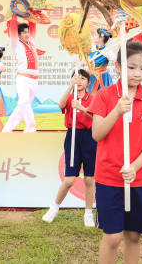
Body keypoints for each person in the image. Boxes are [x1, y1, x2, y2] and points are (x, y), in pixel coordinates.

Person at [89, 41, 142, 264]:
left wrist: (135, 167)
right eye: (131, 67)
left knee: (133, 235)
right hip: (109, 178)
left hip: (138, 179)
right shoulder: (104, 96)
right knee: (112, 236)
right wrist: (117, 111)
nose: (137, 74)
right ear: (119, 67)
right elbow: (97, 134)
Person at [42, 69, 96, 227]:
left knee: (89, 179)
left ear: (88, 82)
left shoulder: (92, 98)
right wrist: (70, 86)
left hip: (89, 137)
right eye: (75, 78)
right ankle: (54, 208)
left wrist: (82, 108)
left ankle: (88, 213)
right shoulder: (70, 97)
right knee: (69, 180)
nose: (79, 81)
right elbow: (60, 105)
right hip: (72, 137)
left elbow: (96, 117)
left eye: (82, 78)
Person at [2, 17, 43, 133]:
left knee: (23, 105)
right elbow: (13, 29)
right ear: (18, 35)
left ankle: (7, 128)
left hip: (34, 80)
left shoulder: (32, 42)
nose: (27, 34)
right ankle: (31, 126)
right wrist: (14, 14)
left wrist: (32, 12)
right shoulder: (16, 43)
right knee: (24, 101)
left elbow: (33, 24)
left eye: (28, 31)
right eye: (24, 32)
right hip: (23, 78)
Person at [87, 28, 116, 92]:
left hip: (103, 78)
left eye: (95, 35)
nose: (93, 36)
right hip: (91, 77)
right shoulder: (91, 48)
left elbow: (117, 62)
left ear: (101, 38)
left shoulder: (108, 51)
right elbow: (84, 60)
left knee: (103, 96)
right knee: (91, 97)